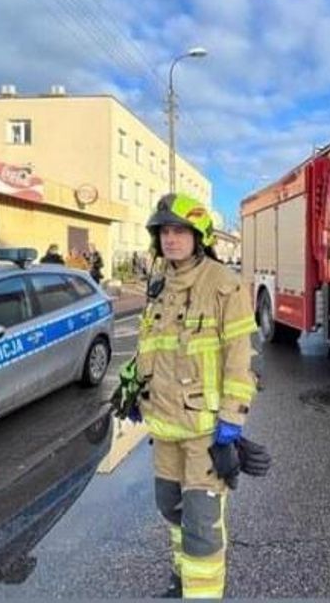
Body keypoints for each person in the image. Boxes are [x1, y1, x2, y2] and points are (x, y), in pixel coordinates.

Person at [111, 194, 260, 599]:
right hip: (164, 426)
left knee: (200, 524)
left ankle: (203, 594)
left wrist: (232, 423)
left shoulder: (223, 285)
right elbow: (151, 348)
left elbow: (239, 358)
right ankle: (183, 582)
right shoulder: (159, 286)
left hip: (204, 431)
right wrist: (132, 386)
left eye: (180, 231)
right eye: (164, 232)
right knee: (169, 508)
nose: (171, 239)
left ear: (199, 236)